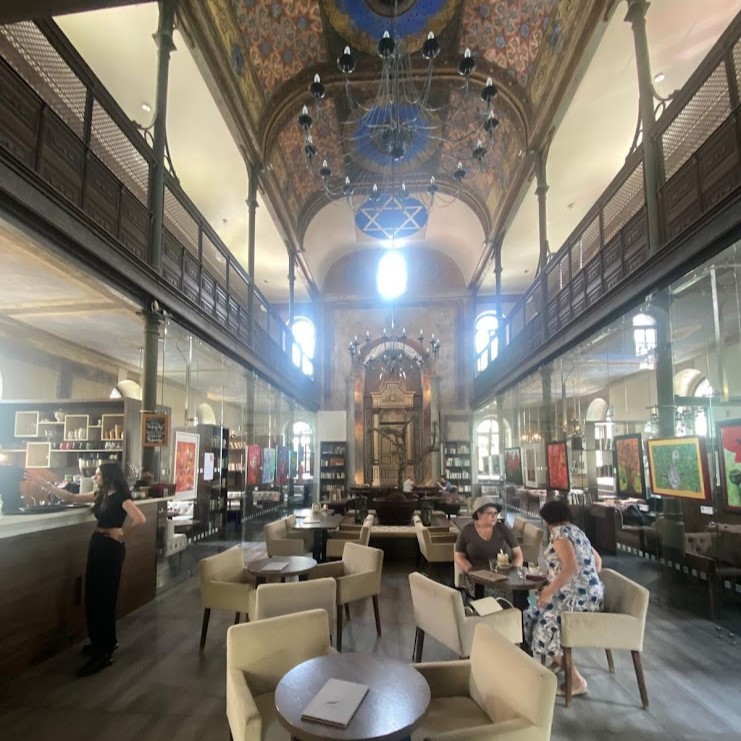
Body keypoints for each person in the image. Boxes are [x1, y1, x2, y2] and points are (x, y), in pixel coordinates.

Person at [25, 461, 146, 676]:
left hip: (110, 549)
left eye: (98, 474)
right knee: (92, 595)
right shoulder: (101, 494)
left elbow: (140, 518)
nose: (95, 476)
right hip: (98, 545)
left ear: (108, 476)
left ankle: (104, 652)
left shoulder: (121, 497)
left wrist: (123, 534)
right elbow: (71, 498)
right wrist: (45, 485)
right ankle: (103, 641)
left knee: (104, 598)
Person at [523, 499, 603, 697]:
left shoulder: (559, 535)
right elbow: (598, 561)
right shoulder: (576, 531)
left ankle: (576, 681)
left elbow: (571, 567)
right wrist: (589, 582)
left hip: (575, 599)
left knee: (540, 626)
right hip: (591, 595)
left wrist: (549, 591)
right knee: (535, 614)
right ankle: (558, 661)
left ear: (547, 519)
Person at [454, 497, 524, 578]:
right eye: (490, 513)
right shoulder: (467, 531)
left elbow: (518, 554)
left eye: (495, 513)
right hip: (477, 576)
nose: (494, 516)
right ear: (479, 514)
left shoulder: (502, 528)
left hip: (502, 576)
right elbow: (459, 556)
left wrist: (514, 572)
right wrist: (471, 571)